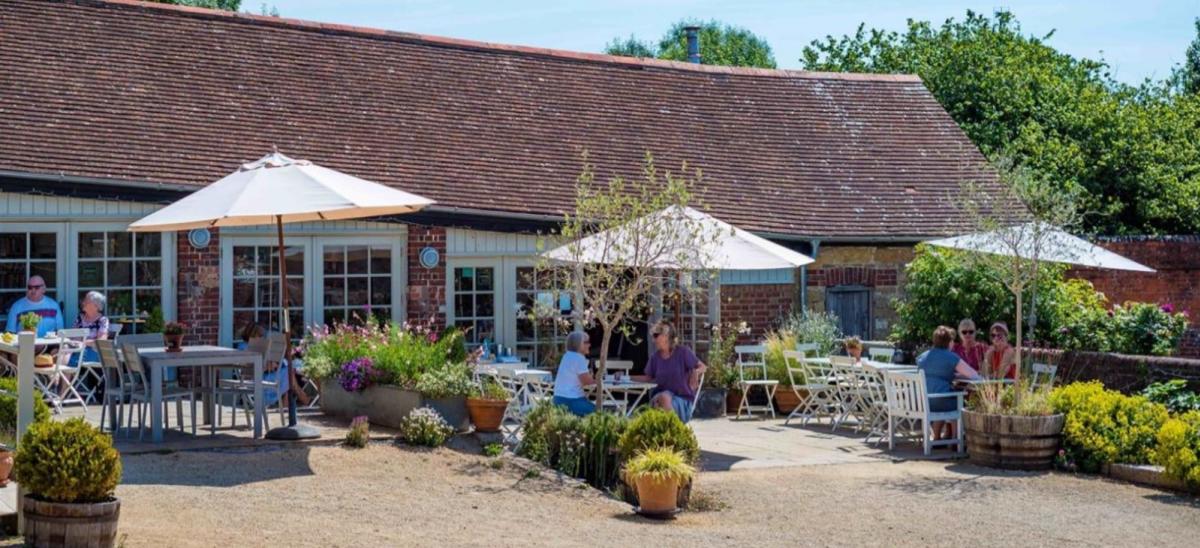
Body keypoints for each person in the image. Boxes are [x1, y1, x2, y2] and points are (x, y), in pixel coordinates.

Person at [632, 321, 706, 423]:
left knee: (663, 398)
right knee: (661, 398)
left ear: (666, 336)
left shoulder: (683, 352)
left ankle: (671, 429)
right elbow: (648, 378)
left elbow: (703, 367)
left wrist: (696, 372)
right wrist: (627, 377)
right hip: (659, 398)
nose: (653, 340)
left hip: (682, 400)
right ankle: (671, 430)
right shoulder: (655, 358)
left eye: (656, 335)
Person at [917, 325, 980, 442]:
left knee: (941, 394)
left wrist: (954, 375)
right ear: (950, 342)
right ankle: (956, 440)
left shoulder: (922, 357)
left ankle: (936, 438)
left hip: (922, 403)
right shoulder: (951, 357)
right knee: (958, 401)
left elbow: (934, 375)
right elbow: (973, 375)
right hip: (940, 402)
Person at [552, 331, 596, 416]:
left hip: (558, 399)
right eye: (586, 342)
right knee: (600, 415)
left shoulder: (567, 356)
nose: (589, 345)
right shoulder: (579, 358)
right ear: (579, 344)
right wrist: (599, 379)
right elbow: (587, 382)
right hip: (572, 401)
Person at [72, 291, 109, 364]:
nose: (83, 303)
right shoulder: (80, 319)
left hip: (94, 352)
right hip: (77, 349)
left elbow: (101, 341)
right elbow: (73, 336)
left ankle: (60, 375)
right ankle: (60, 375)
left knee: (68, 358)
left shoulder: (102, 320)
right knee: (59, 353)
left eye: (86, 301)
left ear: (95, 306)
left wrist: (82, 342)